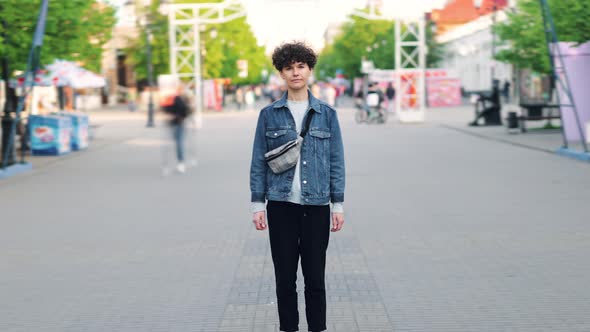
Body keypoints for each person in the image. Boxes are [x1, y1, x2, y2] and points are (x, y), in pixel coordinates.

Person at [249, 41, 345, 332]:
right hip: (280, 207)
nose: (295, 72)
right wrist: (257, 204)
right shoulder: (269, 115)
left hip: (316, 206)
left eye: (300, 66)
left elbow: (336, 161)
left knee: (316, 279)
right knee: (285, 280)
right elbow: (258, 161)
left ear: (310, 70)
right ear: (281, 73)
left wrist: (337, 204)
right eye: (288, 67)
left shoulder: (327, 114)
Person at [161, 85, 191, 173]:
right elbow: (165, 109)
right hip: (175, 123)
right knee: (177, 142)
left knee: (178, 142)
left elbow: (186, 110)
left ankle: (180, 162)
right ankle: (179, 162)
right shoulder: (172, 98)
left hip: (177, 123)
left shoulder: (179, 99)